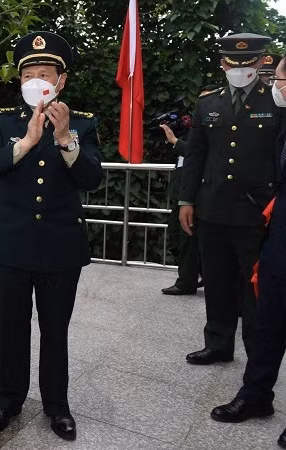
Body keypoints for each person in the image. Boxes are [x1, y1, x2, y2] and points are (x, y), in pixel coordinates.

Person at [0, 31, 103, 441]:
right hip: (11, 241)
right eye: (29, 72)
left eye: (44, 72)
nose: (36, 79)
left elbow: (92, 179)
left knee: (54, 327)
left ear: (61, 81)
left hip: (60, 244)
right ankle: (6, 400)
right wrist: (27, 141)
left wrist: (65, 140)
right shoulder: (3, 120)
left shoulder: (82, 122)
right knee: (10, 326)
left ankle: (56, 406)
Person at [179, 33, 284, 365]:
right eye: (233, 63)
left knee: (255, 288)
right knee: (216, 279)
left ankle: (258, 354)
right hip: (212, 207)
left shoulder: (277, 102)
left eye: (249, 62)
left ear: (262, 61)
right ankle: (219, 343)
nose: (240, 69)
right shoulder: (208, 102)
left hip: (257, 211)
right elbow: (195, 155)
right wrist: (186, 200)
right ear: (223, 63)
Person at [209, 54, 286, 450]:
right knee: (268, 319)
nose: (281, 85)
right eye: (283, 77)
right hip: (279, 236)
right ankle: (256, 396)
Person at [160, 118, 203, 296]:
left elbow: (197, 154)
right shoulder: (193, 129)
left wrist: (175, 141)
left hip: (195, 194)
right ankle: (196, 274)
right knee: (176, 233)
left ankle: (187, 280)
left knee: (188, 238)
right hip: (181, 191)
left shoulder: (212, 129)